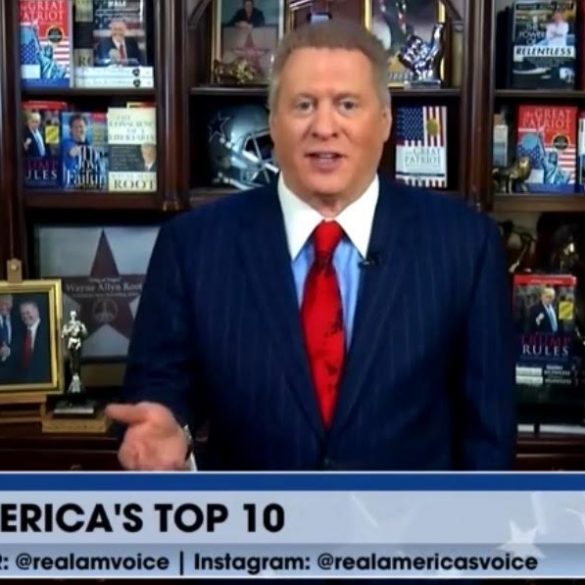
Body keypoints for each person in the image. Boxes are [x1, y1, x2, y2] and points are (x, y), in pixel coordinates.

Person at [107, 20, 516, 472]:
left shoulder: (464, 246)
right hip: (255, 517)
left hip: (408, 519)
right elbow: (157, 394)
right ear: (273, 122)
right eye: (304, 105)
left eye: (347, 104)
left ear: (384, 120)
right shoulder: (193, 247)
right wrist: (167, 431)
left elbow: (489, 436)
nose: (324, 127)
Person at [16, 300, 50, 384]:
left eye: (28, 313)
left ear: (36, 311)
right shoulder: (19, 333)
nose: (25, 316)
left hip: (44, 381)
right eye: (23, 314)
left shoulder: (48, 330)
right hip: (24, 382)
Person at [0, 295, 19, 384]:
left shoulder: (18, 320)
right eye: (2, 303)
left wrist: (10, 351)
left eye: (7, 304)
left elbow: (20, 342)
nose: (5, 307)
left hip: (14, 373)